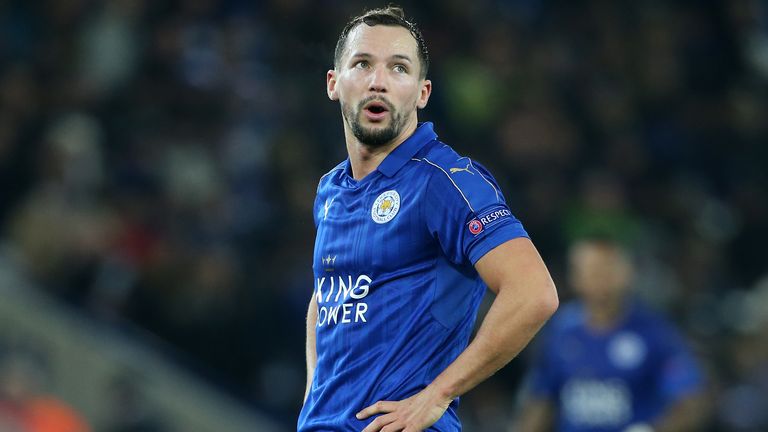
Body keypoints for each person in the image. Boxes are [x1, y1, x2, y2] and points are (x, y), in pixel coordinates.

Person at [297, 6, 559, 432]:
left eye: (398, 68)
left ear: (422, 92)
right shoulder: (332, 189)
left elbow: (534, 293)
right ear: (333, 83)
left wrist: (436, 395)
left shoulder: (445, 181)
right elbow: (325, 295)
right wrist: (315, 398)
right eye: (362, 64)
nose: (378, 81)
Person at [512, 237, 706, 432]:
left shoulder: (655, 332)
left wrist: (652, 430)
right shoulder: (560, 331)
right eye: (592, 271)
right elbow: (539, 402)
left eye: (608, 269)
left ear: (628, 273)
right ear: (575, 277)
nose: (601, 278)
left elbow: (690, 402)